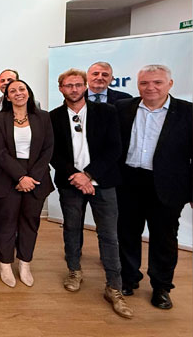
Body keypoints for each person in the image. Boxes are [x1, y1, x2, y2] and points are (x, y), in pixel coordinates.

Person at [49, 69, 131, 318]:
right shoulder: (53, 117)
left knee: (108, 234)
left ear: (85, 86)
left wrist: (90, 175)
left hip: (103, 182)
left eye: (77, 85)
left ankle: (114, 287)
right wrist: (76, 176)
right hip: (70, 183)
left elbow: (114, 148)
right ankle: (74, 270)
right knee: (71, 229)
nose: (73, 89)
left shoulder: (106, 112)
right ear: (60, 88)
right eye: (68, 85)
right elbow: (52, 153)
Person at [115, 65, 192, 310]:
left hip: (168, 185)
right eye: (144, 83)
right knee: (126, 233)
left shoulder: (189, 112)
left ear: (170, 84)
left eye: (157, 82)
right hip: (128, 181)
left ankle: (161, 287)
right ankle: (128, 278)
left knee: (164, 238)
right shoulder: (122, 108)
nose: (150, 88)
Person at [0, 79, 54, 288]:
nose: (18, 93)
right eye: (12, 91)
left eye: (22, 89)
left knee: (30, 222)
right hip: (8, 177)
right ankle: (5, 263)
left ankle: (25, 263)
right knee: (7, 223)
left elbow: (48, 149)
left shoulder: (43, 117)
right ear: (7, 96)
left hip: (36, 178)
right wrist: (19, 177)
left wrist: (31, 177)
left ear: (28, 92)